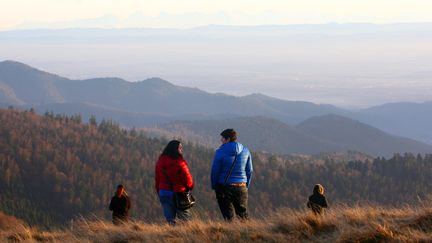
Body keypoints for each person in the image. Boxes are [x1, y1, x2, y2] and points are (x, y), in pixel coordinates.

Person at [211, 128, 253, 221]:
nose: (221, 140)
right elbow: (249, 171)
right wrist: (246, 185)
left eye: (222, 138)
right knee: (243, 216)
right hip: (241, 186)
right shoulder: (246, 151)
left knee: (228, 217)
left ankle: (231, 234)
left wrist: (215, 186)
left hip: (224, 187)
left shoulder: (220, 152)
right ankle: (248, 234)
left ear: (228, 139)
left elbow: (215, 171)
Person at [155, 140, 194, 225]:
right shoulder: (180, 162)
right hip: (179, 194)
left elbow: (157, 180)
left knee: (170, 221)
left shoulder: (160, 162)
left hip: (164, 193)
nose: (181, 150)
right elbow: (188, 180)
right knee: (185, 221)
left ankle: (172, 236)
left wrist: (160, 192)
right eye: (180, 148)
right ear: (175, 149)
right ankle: (185, 237)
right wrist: (190, 187)